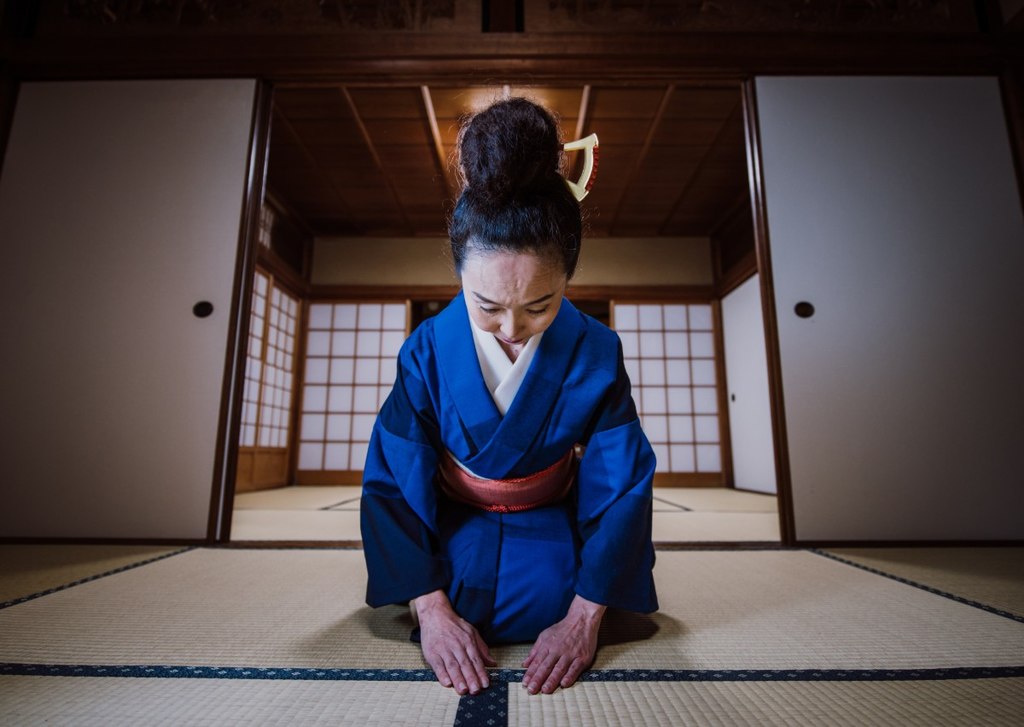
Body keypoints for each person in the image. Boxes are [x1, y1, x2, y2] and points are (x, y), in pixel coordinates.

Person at [360, 97, 658, 697]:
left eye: (540, 306)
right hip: (456, 514)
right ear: (459, 276)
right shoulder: (425, 351)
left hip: (548, 513)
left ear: (568, 281)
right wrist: (432, 609)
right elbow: (393, 480)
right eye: (487, 306)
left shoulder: (595, 352)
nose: (512, 329)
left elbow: (620, 482)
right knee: (455, 595)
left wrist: (584, 618)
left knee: (561, 596)